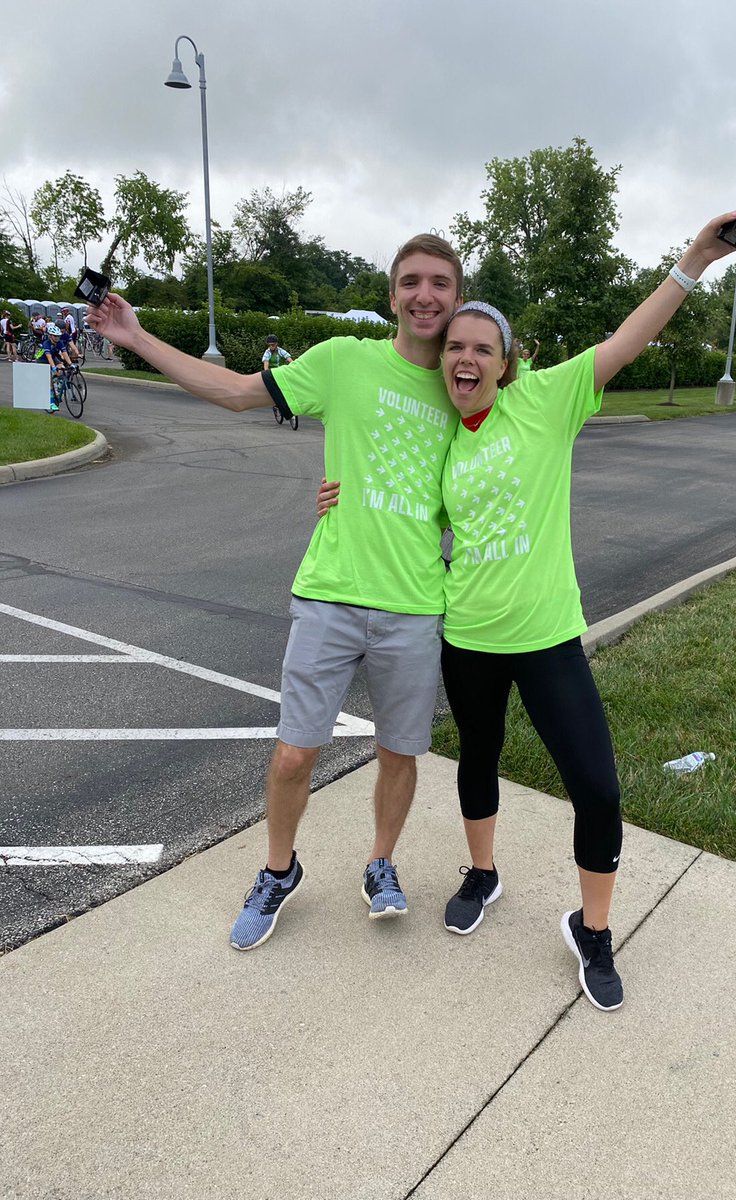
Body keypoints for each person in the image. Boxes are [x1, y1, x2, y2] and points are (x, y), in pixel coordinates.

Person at [318, 203, 736, 1011]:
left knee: (595, 787)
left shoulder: (548, 401)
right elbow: (386, 498)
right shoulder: (441, 436)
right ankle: (483, 874)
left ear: (504, 362)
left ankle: (591, 930)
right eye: (453, 347)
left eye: (479, 348)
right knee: (478, 762)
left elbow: (631, 336)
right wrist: (331, 497)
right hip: (467, 637)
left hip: (547, 635)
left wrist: (694, 260)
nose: (463, 357)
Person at [87, 232, 464, 950]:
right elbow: (231, 393)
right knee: (295, 751)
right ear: (392, 296)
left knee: (398, 752)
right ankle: (278, 870)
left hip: (415, 604)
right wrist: (135, 335)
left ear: (455, 296)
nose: (424, 294)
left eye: (439, 283)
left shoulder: (463, 387)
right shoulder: (342, 361)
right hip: (329, 592)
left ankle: (380, 863)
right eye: (411, 281)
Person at [34, 323, 75, 411]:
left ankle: (59, 386)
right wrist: (53, 367)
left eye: (58, 336)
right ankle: (51, 402)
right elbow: (48, 357)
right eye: (55, 336)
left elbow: (64, 353)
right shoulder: (46, 343)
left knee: (63, 368)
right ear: (50, 336)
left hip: (53, 357)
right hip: (42, 360)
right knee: (50, 382)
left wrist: (71, 364)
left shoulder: (59, 342)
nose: (57, 338)